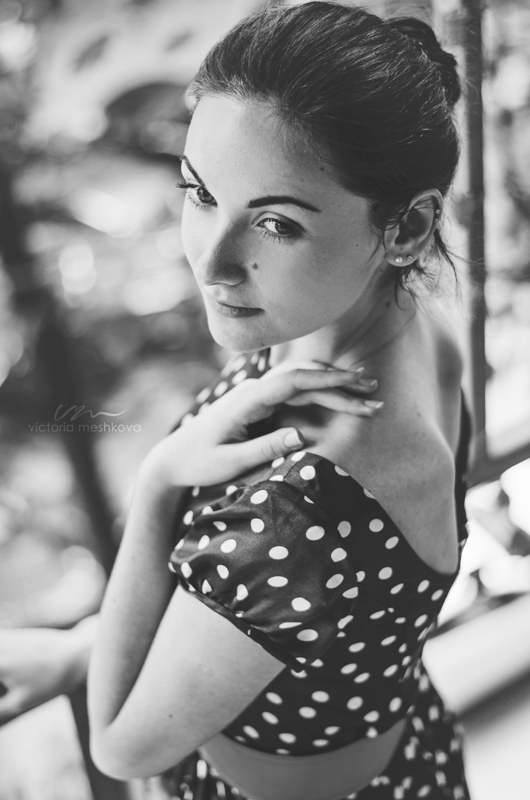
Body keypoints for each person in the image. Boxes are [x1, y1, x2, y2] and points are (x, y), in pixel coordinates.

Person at [20, 3, 474, 798]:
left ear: (407, 227)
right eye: (199, 193)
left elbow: (121, 746)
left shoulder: (306, 507)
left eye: (275, 225)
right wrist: (79, 649)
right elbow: (306, 635)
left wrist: (160, 479)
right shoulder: (408, 324)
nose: (213, 262)